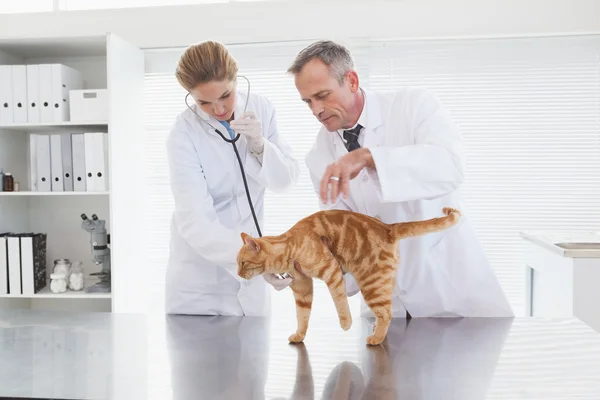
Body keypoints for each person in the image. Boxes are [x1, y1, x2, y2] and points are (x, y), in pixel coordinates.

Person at [288, 40, 514, 318]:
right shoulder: (319, 156)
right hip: (385, 304)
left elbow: (450, 166)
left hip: (451, 293)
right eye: (308, 101)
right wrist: (303, 263)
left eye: (323, 95)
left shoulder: (414, 107)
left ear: (352, 81)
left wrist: (370, 157)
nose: (316, 110)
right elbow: (346, 238)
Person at [165, 41, 299, 316]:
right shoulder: (183, 134)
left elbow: (285, 179)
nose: (218, 109)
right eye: (203, 102)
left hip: (252, 280)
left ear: (236, 80)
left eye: (225, 95)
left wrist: (260, 145)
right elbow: (194, 221)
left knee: (253, 354)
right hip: (201, 282)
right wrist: (260, 257)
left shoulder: (261, 109)